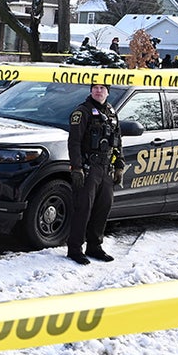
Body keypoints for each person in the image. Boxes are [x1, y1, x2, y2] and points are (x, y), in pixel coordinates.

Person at [66, 83, 124, 265]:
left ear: (108, 91)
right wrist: (77, 168)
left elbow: (118, 140)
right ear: (91, 90)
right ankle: (75, 249)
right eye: (95, 87)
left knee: (103, 208)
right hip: (88, 168)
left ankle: (95, 246)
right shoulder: (82, 112)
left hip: (106, 167)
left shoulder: (111, 112)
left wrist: (120, 164)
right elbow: (74, 142)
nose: (98, 91)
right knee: (83, 209)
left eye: (102, 88)